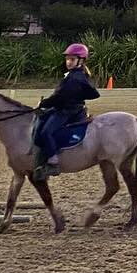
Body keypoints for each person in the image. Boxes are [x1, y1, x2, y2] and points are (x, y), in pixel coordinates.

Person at [31, 43, 100, 181]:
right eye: (67, 59)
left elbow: (58, 97)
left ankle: (53, 162)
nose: (68, 62)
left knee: (45, 132)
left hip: (67, 112)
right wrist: (77, 98)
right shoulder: (78, 75)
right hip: (73, 108)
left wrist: (42, 104)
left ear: (81, 61)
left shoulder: (74, 78)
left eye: (72, 59)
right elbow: (92, 94)